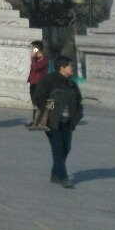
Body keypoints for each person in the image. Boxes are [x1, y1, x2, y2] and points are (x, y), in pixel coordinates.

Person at [39, 55, 84, 188]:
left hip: (67, 122)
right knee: (58, 148)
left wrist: (77, 114)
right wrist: (49, 109)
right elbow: (39, 97)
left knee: (66, 148)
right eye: (70, 66)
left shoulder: (71, 83)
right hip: (52, 121)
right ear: (62, 67)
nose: (72, 68)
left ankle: (55, 174)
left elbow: (78, 99)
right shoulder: (49, 80)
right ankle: (63, 177)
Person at [25, 40, 50, 130]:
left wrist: (33, 57)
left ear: (37, 49)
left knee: (39, 103)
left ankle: (42, 121)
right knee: (34, 103)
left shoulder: (44, 59)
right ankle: (34, 121)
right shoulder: (36, 59)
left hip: (39, 84)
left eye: (33, 48)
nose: (32, 50)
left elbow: (36, 68)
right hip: (33, 83)